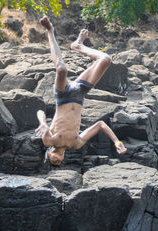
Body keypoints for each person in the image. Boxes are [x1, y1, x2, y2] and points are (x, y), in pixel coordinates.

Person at [36, 16, 127, 166]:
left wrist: (44, 123)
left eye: (54, 161)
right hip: (79, 93)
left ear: (49, 153)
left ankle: (49, 30)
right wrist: (117, 141)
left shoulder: (49, 140)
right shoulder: (76, 143)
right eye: (59, 162)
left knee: (61, 69)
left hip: (63, 95)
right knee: (105, 59)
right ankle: (78, 45)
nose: (58, 160)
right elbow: (100, 125)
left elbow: (40, 111)